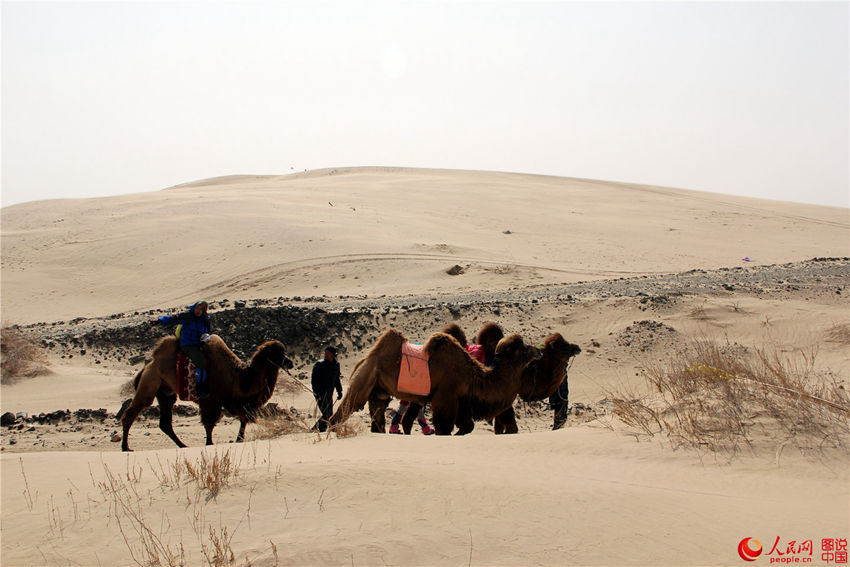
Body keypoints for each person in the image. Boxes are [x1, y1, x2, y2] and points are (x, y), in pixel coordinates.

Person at [155, 301, 212, 398]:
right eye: (197, 308)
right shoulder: (187, 316)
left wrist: (206, 336)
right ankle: (200, 388)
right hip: (188, 345)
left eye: (201, 309)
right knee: (201, 361)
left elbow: (207, 331)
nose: (198, 311)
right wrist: (159, 320)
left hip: (199, 344)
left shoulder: (205, 320)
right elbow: (173, 318)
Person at [311, 346, 342, 432]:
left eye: (328, 353)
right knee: (326, 413)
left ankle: (320, 429)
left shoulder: (336, 365)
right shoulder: (319, 364)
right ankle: (319, 430)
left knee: (329, 413)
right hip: (320, 393)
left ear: (333, 355)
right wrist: (316, 392)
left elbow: (337, 379)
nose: (326, 355)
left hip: (329, 393)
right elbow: (314, 380)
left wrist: (339, 391)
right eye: (325, 353)